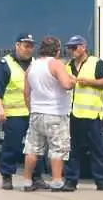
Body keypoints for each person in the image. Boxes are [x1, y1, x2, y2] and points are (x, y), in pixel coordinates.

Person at [20, 36, 77, 191]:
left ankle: (26, 180)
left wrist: (31, 109)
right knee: (57, 149)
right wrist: (73, 81)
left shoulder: (32, 67)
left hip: (37, 113)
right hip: (56, 113)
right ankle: (57, 180)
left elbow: (26, 92)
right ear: (57, 50)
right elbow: (65, 85)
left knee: (32, 149)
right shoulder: (56, 64)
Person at [0, 33, 46, 190]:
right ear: (17, 45)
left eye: (31, 46)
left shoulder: (36, 64)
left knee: (36, 147)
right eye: (25, 45)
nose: (29, 49)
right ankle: (7, 176)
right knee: (13, 146)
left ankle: (37, 177)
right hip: (14, 113)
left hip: (34, 112)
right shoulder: (5, 63)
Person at [62, 35, 103, 191]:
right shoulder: (68, 66)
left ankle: (101, 181)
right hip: (74, 114)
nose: (71, 51)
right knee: (72, 150)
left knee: (97, 150)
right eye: (70, 48)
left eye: (74, 47)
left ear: (83, 47)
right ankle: (71, 181)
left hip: (92, 115)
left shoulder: (96, 63)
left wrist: (90, 82)